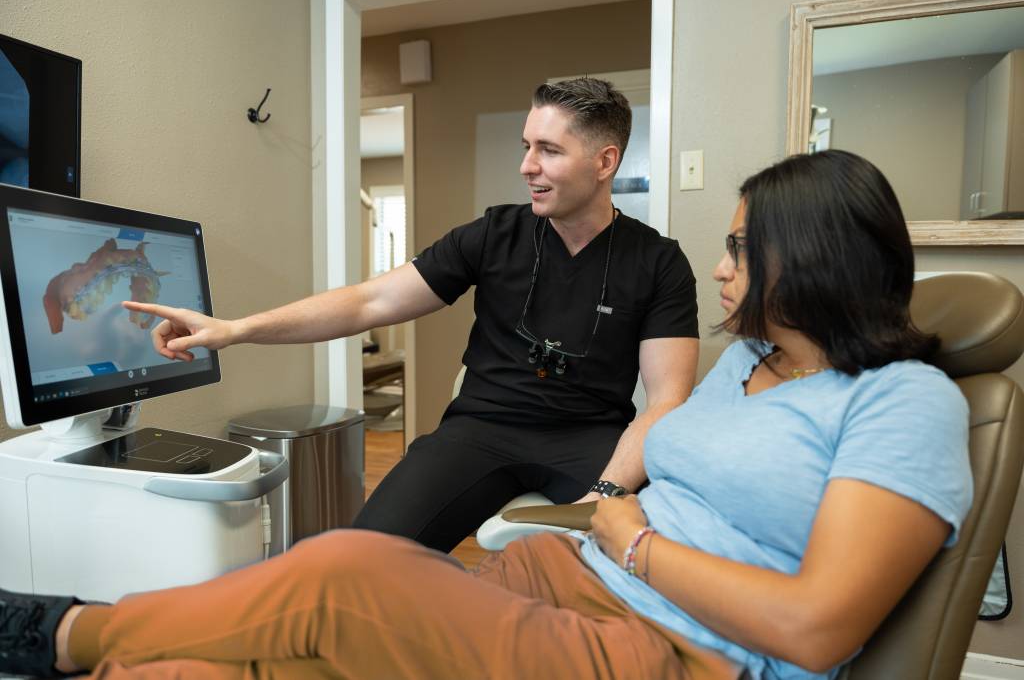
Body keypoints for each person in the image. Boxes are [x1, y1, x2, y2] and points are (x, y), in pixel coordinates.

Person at [0, 150, 972, 680]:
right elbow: (376, 301)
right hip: (560, 553)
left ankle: (62, 632)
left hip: (667, 643)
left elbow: (811, 628)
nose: (722, 265)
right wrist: (237, 327)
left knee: (344, 573)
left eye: (740, 247)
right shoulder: (747, 359)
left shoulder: (902, 399)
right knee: (215, 657)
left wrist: (621, 525)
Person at [122, 77, 701, 553]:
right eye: (526, 146)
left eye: (548, 150)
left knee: (647, 556)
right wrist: (235, 330)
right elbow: (368, 301)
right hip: (481, 430)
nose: (527, 165)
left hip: (593, 438)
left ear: (605, 161)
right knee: (362, 558)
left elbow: (667, 399)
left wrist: (605, 492)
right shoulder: (493, 234)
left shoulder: (657, 262)